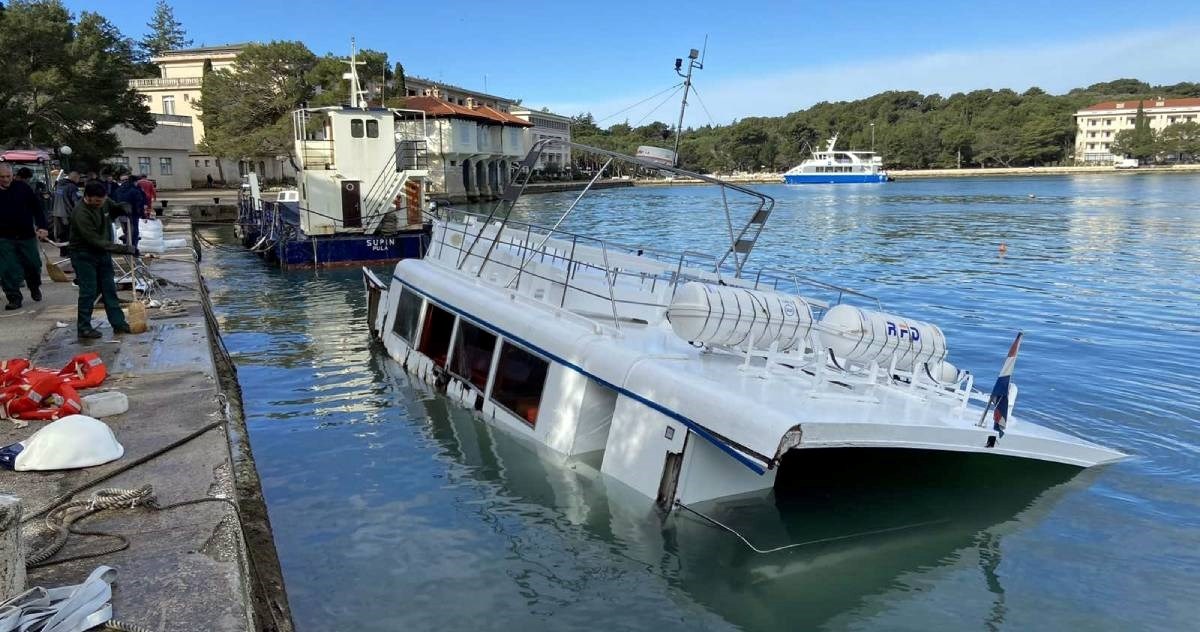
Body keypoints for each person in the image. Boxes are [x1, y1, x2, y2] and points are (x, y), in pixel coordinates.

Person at [69, 180, 133, 338]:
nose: (100, 203)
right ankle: (84, 327)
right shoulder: (81, 214)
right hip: (84, 254)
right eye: (97, 201)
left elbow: (113, 207)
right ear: (87, 197)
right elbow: (95, 241)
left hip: (103, 254)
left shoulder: (104, 201)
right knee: (88, 291)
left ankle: (119, 323)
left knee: (109, 289)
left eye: (102, 200)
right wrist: (124, 249)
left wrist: (122, 208)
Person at [0, 164, 49, 310]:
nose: (5, 179)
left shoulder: (22, 188)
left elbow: (37, 208)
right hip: (4, 237)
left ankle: (34, 286)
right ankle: (14, 297)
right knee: (8, 268)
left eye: (8, 176)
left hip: (26, 235)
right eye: (1, 177)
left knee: (33, 265)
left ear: (12, 175)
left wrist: (42, 226)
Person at [112, 173, 147, 254]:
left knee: (127, 233)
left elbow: (114, 201)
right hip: (132, 215)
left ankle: (128, 247)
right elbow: (139, 204)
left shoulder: (118, 190)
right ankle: (132, 250)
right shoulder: (135, 190)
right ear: (134, 182)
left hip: (121, 215)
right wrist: (143, 215)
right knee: (134, 233)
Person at [51, 171, 81, 242]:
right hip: (67, 215)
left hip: (56, 214)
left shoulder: (58, 185)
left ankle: (63, 252)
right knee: (69, 236)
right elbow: (76, 202)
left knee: (61, 237)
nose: (79, 180)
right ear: (75, 178)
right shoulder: (72, 187)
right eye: (78, 178)